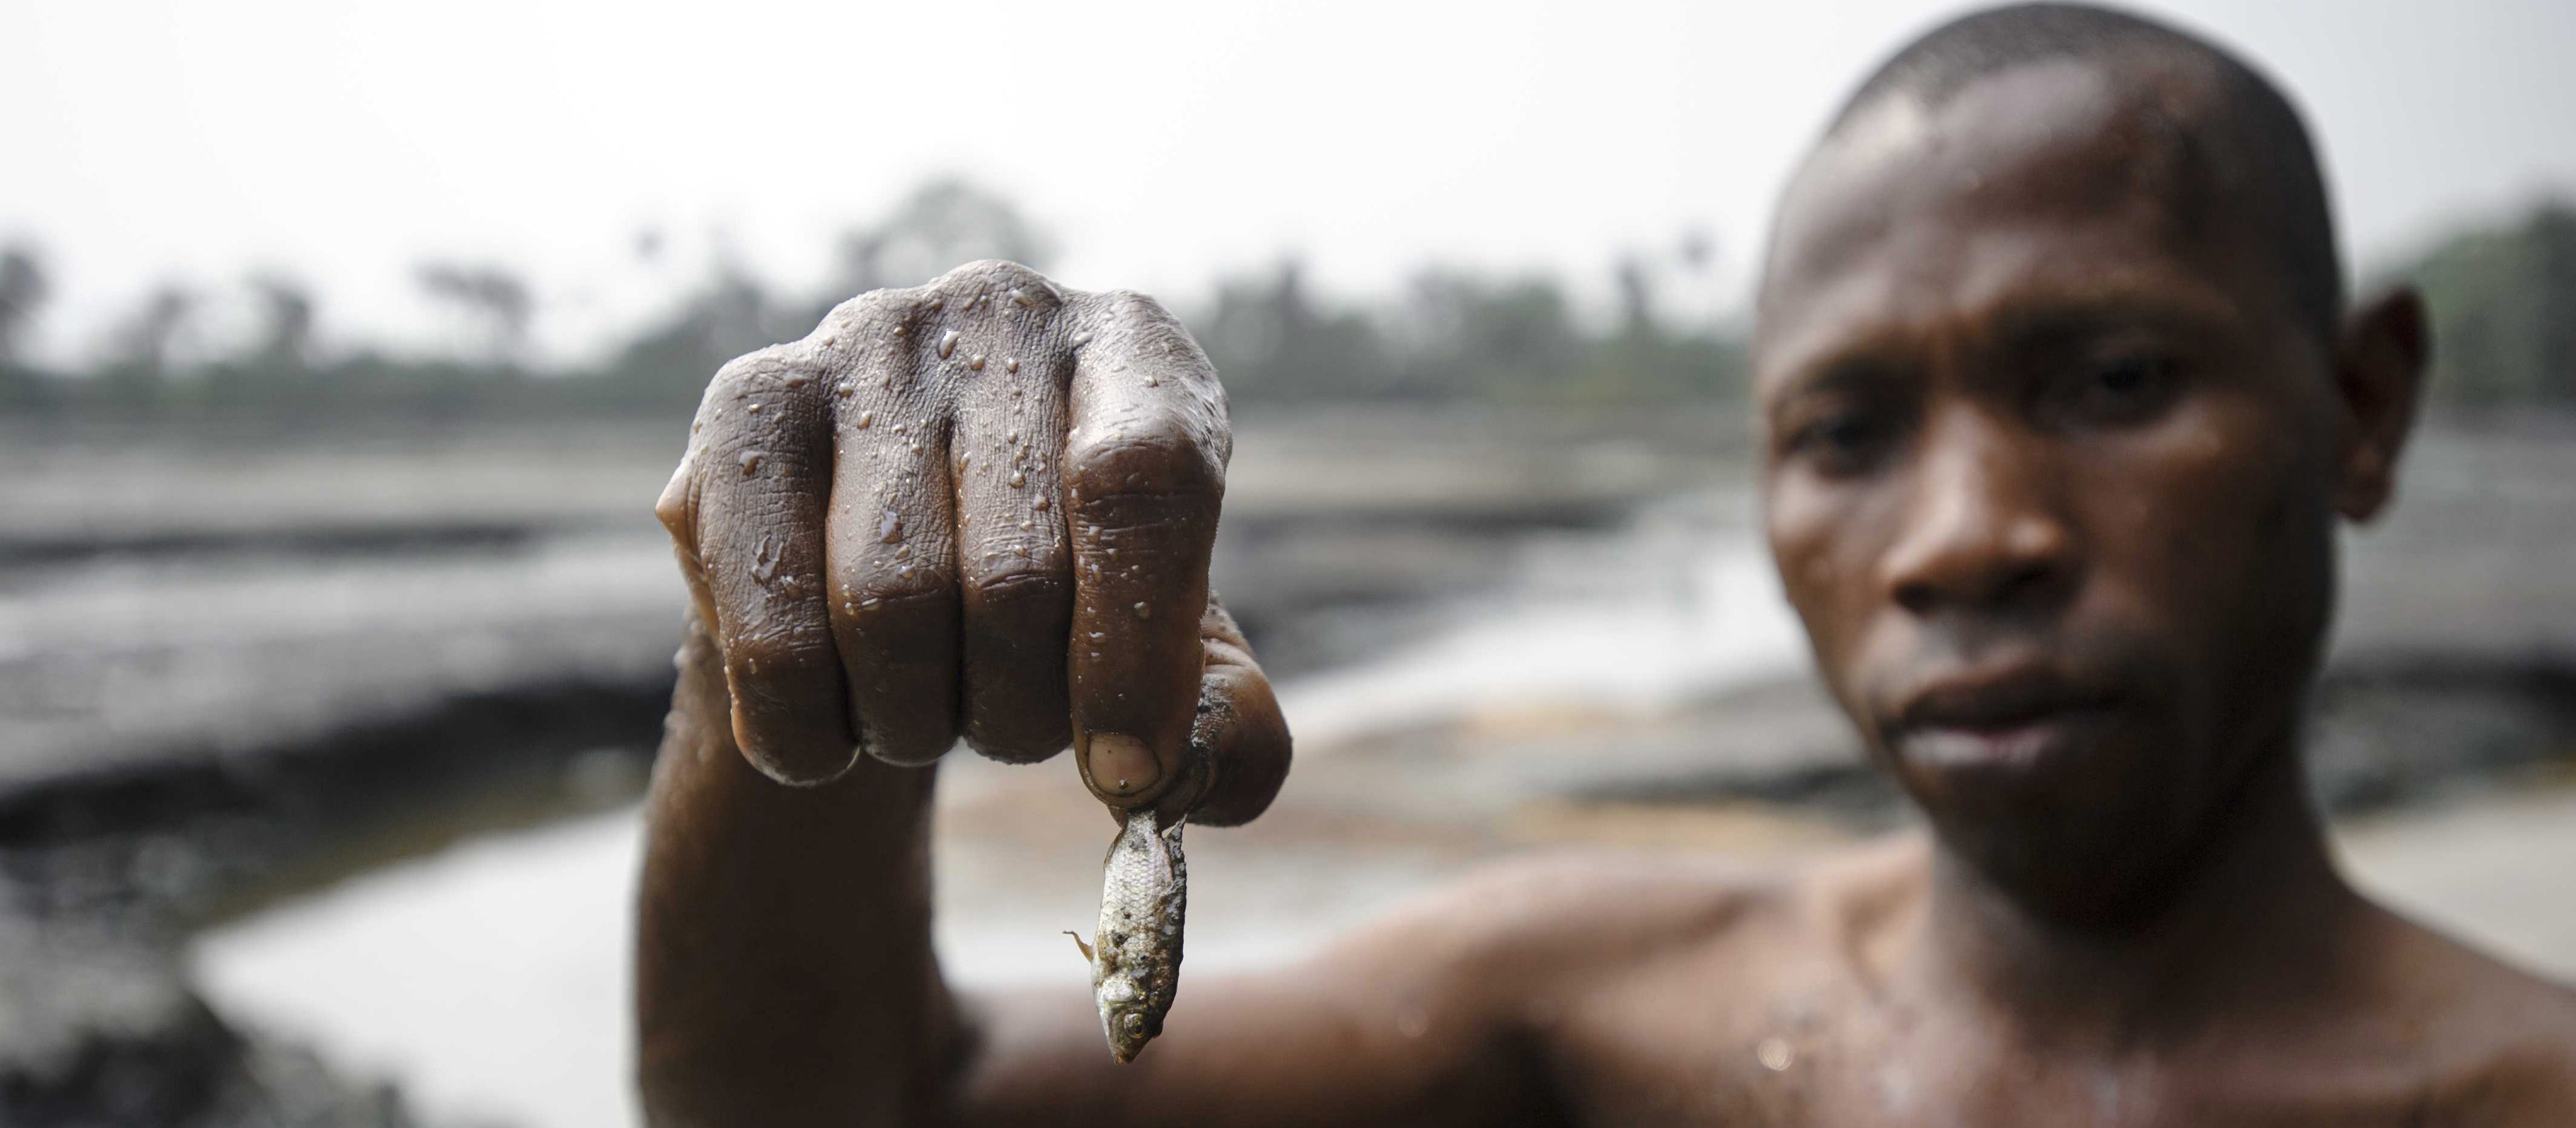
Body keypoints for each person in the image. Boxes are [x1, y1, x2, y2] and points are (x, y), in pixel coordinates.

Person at [635, 4, 2576, 1124]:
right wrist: (798, 645)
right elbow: (834, 1109)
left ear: (2361, 404)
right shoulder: (1585, 1012)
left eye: (2119, 379)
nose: (1970, 534)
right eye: (1846, 432)